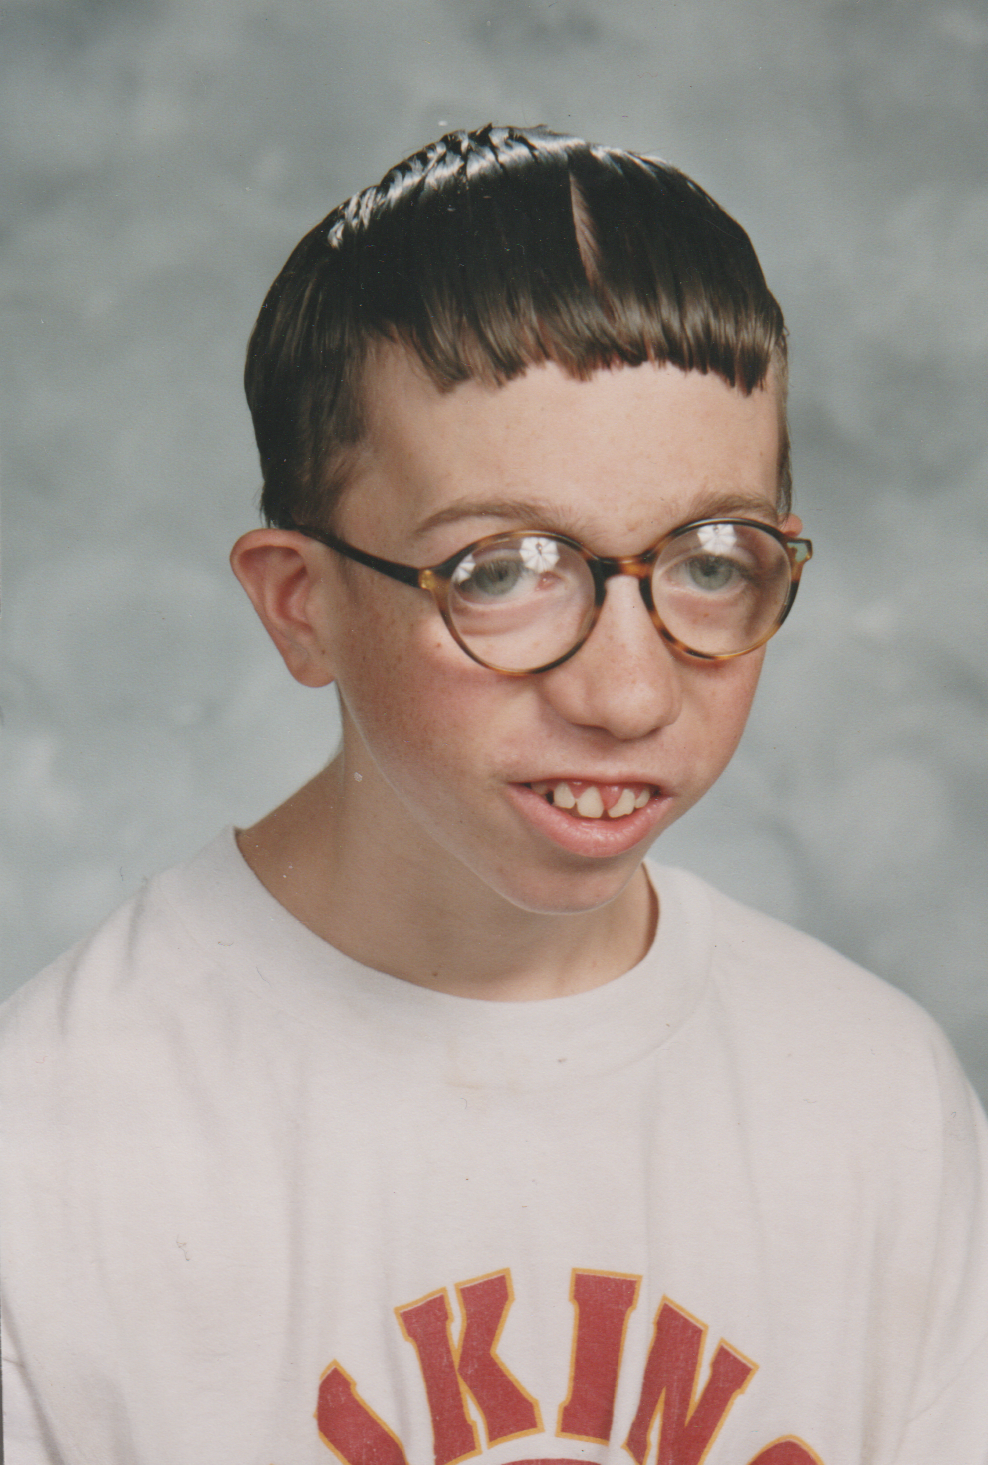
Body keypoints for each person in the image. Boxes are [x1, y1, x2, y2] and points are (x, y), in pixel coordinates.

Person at [2, 124, 986, 1465]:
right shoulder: (51, 1147)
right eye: (503, 569)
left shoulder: (876, 1102)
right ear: (303, 609)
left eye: (710, 560)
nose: (627, 696)